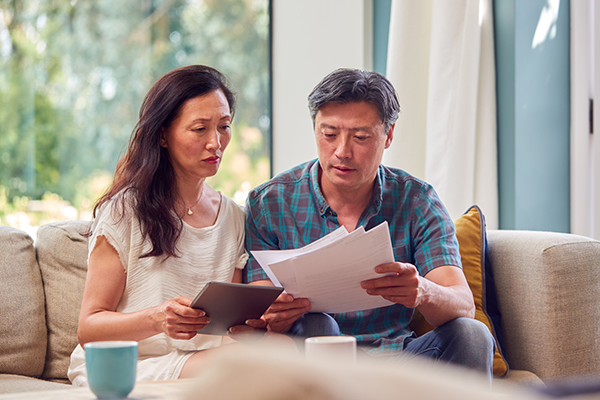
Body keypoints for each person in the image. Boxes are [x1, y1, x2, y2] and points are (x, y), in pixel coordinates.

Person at [243, 68, 495, 381]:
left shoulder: (417, 200)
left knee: (472, 335)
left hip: (397, 359)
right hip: (314, 362)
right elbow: (261, 311)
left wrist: (423, 291)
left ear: (388, 136)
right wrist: (276, 315)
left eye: (360, 137)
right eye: (329, 134)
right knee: (318, 323)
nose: (341, 152)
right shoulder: (269, 203)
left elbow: (462, 305)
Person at [68, 65, 275, 386]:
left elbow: (228, 327)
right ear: (163, 135)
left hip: (204, 357)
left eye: (224, 126)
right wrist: (156, 319)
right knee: (257, 363)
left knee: (285, 348)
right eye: (199, 129)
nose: (216, 143)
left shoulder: (233, 215)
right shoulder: (124, 210)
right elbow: (89, 327)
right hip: (131, 361)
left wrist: (257, 320)